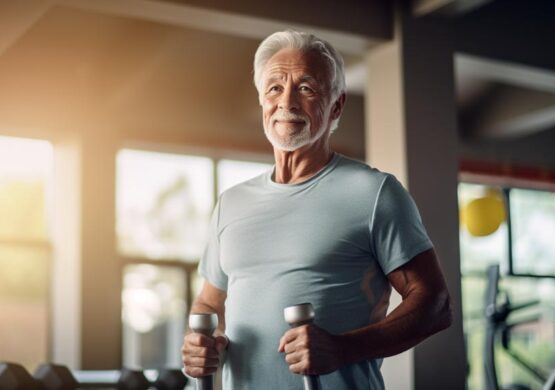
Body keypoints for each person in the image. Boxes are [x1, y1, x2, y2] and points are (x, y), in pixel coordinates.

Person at [181, 30, 452, 389]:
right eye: (274, 88)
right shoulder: (231, 203)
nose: (287, 102)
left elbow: (434, 304)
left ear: (337, 105)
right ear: (262, 99)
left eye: (306, 88)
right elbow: (208, 303)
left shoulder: (374, 193)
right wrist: (199, 344)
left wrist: (343, 348)